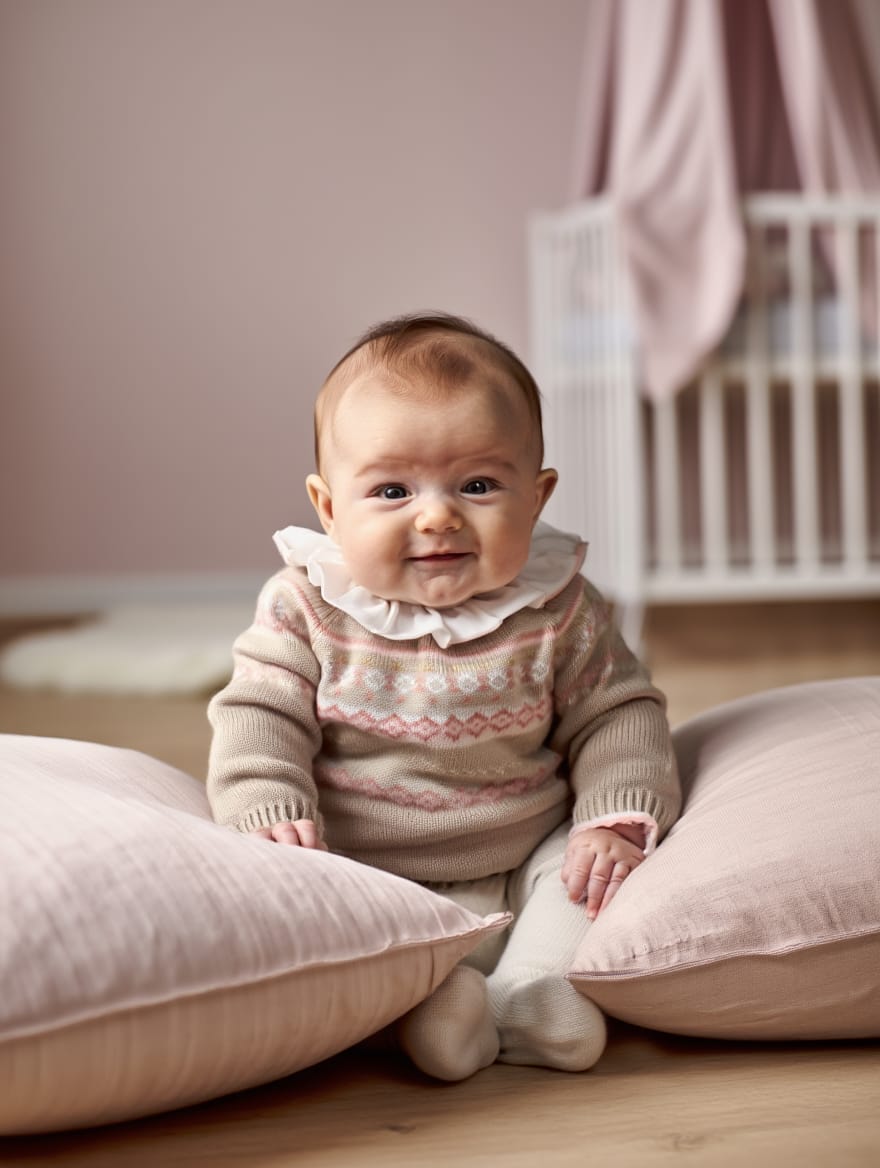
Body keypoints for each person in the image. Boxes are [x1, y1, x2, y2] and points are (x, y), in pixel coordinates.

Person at [207, 311, 681, 1081]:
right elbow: (260, 715)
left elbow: (618, 712)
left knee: (591, 886)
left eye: (479, 484)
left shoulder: (560, 608)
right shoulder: (307, 607)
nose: (437, 514)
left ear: (536, 497)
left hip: (527, 847)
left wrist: (613, 817)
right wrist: (268, 810)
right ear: (330, 509)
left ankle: (538, 989)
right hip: (365, 865)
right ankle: (428, 1011)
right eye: (392, 489)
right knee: (312, 942)